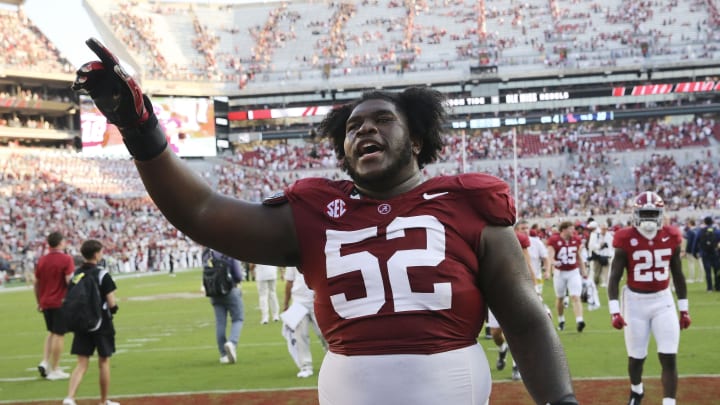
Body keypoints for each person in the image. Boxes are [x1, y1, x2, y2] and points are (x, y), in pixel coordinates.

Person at [72, 38, 577, 404]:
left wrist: (562, 401)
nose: (365, 130)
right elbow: (202, 213)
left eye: (383, 120)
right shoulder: (315, 213)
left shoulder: (468, 204)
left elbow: (525, 317)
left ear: (417, 141)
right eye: (354, 126)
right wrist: (141, 130)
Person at [607, 192, 691, 405]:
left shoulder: (672, 236)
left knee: (669, 355)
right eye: (644, 213)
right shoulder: (625, 238)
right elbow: (614, 277)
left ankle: (669, 402)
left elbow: (678, 275)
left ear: (661, 214)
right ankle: (637, 390)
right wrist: (614, 310)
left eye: (653, 213)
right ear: (635, 214)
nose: (648, 219)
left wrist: (684, 309)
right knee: (636, 357)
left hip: (663, 300)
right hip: (634, 302)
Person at [63, 240, 120, 405]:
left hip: (81, 322)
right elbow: (111, 302)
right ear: (96, 254)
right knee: (104, 362)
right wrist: (114, 309)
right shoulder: (102, 274)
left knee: (81, 363)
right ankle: (103, 401)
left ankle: (70, 397)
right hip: (101, 322)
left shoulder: (76, 274)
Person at [33, 231, 74, 380]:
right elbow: (69, 280)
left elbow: (36, 283)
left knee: (51, 332)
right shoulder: (66, 259)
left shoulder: (42, 260)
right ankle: (55, 368)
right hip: (60, 301)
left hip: (45, 301)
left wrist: (39, 301)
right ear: (61, 243)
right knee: (59, 334)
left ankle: (45, 361)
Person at [282, 266, 328, 378]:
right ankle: (305, 366)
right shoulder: (291, 261)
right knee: (300, 336)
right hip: (298, 302)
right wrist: (286, 303)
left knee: (325, 334)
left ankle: (333, 361)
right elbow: (289, 281)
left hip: (317, 300)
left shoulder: (315, 256)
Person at [203, 247, 244, 364]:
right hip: (230, 289)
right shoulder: (229, 252)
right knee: (238, 318)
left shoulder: (207, 254)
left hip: (214, 291)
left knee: (220, 323)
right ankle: (232, 342)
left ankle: (223, 354)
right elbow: (238, 275)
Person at [546, 221, 588, 332]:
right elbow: (550, 256)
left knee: (575, 296)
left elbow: (578, 256)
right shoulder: (554, 240)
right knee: (560, 298)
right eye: (570, 228)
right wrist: (554, 263)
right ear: (563, 229)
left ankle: (580, 320)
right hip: (560, 273)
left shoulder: (576, 240)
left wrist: (583, 270)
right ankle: (561, 320)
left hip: (573, 271)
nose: (573, 231)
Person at [693, 216, 720, 291]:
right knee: (716, 270)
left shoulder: (701, 231)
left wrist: (694, 252)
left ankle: (709, 287)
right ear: (712, 222)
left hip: (705, 253)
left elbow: (695, 242)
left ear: (704, 222)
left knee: (707, 271)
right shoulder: (717, 231)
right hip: (715, 253)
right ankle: (718, 286)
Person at [588, 221, 614, 287]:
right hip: (597, 256)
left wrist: (611, 255)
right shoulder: (595, 234)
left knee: (607, 272)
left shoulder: (609, 236)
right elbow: (591, 246)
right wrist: (600, 246)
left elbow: (612, 247)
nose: (604, 230)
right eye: (602, 228)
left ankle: (606, 284)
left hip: (607, 256)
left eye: (605, 229)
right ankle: (595, 285)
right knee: (596, 273)